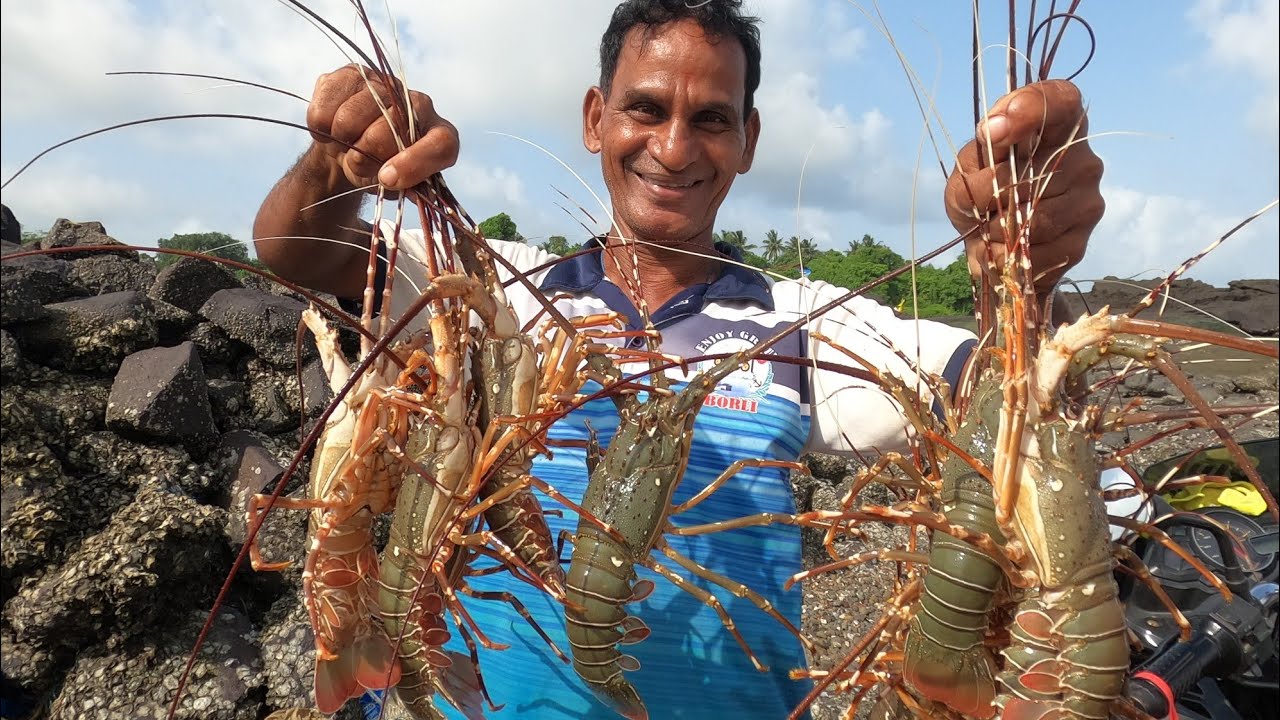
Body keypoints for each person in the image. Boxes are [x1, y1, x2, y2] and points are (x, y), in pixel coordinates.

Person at [254, 2, 1103, 718]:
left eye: (710, 119)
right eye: (646, 108)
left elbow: (999, 387)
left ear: (749, 137)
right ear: (594, 118)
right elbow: (302, 253)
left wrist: (1016, 270)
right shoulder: (500, 294)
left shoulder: (801, 320)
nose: (673, 147)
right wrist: (340, 158)